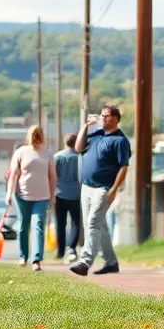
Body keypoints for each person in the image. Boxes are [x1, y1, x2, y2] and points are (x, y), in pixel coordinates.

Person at [70, 106, 132, 276]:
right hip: (87, 187)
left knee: (92, 224)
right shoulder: (96, 135)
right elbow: (78, 147)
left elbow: (124, 167)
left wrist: (113, 190)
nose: (103, 118)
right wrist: (85, 127)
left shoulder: (120, 141)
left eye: (107, 116)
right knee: (99, 226)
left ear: (116, 119)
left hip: (103, 189)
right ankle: (111, 262)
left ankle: (85, 262)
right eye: (102, 116)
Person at [6, 126, 57, 271]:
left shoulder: (47, 154)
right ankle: (23, 256)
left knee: (38, 225)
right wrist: (9, 194)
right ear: (29, 136)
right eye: (34, 134)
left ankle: (36, 259)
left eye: (39, 134)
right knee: (23, 226)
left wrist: (52, 195)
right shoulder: (21, 152)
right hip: (22, 196)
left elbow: (52, 176)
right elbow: (13, 174)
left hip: (42, 197)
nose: (37, 137)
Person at [53, 133, 83, 262]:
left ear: (65, 142)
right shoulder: (80, 158)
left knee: (60, 223)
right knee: (75, 222)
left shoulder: (58, 157)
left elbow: (53, 175)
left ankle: (60, 251)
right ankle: (71, 247)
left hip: (59, 194)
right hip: (75, 194)